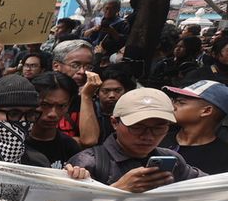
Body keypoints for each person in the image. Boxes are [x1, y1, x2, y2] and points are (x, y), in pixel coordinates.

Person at [68, 88, 205, 191]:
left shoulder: (172, 160)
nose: (148, 136)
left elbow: (211, 186)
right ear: (115, 122)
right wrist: (118, 189)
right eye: (137, 127)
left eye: (158, 128)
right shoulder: (88, 163)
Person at [161, 80, 228, 175]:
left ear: (206, 111)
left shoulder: (223, 157)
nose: (173, 107)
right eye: (174, 101)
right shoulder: (155, 139)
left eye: (181, 102)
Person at [26, 72, 84, 168]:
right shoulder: (16, 142)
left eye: (61, 106)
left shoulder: (70, 147)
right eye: (45, 105)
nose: (53, 114)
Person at [95, 66, 134, 142]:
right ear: (97, 93)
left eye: (117, 90)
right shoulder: (90, 110)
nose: (112, 95)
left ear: (126, 91)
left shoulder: (132, 110)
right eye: (106, 91)